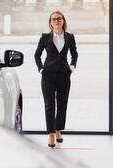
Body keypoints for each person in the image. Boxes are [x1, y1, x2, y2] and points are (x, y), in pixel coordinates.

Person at [34, 11, 78, 148]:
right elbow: (37, 55)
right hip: (48, 76)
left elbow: (74, 54)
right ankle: (51, 134)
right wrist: (41, 69)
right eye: (54, 19)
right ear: (50, 23)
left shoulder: (70, 37)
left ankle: (58, 130)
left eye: (59, 18)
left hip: (64, 75)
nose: (56, 21)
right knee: (49, 105)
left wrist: (72, 67)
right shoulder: (45, 37)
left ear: (63, 21)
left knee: (62, 104)